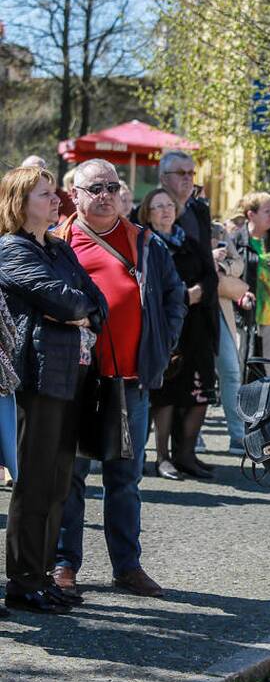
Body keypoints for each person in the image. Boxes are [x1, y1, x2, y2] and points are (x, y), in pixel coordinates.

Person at [53, 158, 186, 599]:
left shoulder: (145, 242)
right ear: (74, 194)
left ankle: (127, 567)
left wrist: (162, 345)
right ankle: (63, 564)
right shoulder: (56, 242)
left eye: (112, 186)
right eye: (95, 188)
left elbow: (174, 298)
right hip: (72, 384)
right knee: (70, 476)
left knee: (124, 479)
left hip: (130, 381)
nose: (106, 194)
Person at [0, 166, 106, 614]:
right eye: (45, 195)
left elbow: (94, 301)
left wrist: (77, 311)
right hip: (37, 379)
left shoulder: (60, 248)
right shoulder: (10, 249)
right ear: (21, 202)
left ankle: (43, 576)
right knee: (35, 482)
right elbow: (66, 299)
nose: (56, 201)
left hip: (72, 375)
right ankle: (23, 582)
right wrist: (74, 309)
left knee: (61, 482)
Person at [137, 188, 218, 480]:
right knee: (165, 394)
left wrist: (200, 292)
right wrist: (182, 296)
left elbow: (210, 274)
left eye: (169, 205)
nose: (165, 210)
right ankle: (163, 457)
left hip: (197, 327)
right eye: (158, 206)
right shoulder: (144, 244)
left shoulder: (190, 242)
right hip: (167, 328)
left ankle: (187, 454)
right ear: (147, 212)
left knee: (199, 392)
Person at [229, 192, 270, 369]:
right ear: (251, 215)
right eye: (267, 211)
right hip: (243, 314)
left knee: (268, 368)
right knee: (239, 366)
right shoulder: (236, 240)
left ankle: (266, 397)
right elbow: (228, 276)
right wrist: (239, 298)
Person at [210, 221, 252, 455]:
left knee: (231, 370)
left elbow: (239, 264)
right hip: (191, 310)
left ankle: (237, 435)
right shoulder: (178, 224)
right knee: (194, 375)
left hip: (220, 310)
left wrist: (222, 266)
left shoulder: (218, 228)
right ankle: (189, 437)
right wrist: (209, 257)